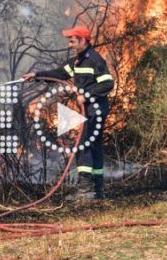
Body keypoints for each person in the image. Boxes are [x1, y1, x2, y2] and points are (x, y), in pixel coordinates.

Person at [22, 25, 115, 200]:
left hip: (95, 110)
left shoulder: (95, 60)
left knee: (83, 145)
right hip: (88, 110)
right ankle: (97, 190)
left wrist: (87, 95)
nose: (70, 45)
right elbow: (59, 73)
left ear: (83, 41)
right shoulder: (77, 61)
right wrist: (36, 75)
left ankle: (86, 190)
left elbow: (107, 84)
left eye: (72, 41)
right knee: (93, 146)